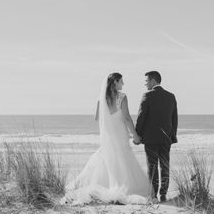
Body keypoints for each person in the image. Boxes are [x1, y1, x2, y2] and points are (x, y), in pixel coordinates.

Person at [62, 73, 151, 204]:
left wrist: (109, 119)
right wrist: (136, 135)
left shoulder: (101, 99)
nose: (123, 84)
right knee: (123, 159)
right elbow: (126, 118)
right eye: (121, 81)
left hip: (109, 136)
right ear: (115, 82)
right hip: (120, 134)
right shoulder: (122, 97)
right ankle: (121, 188)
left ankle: (105, 186)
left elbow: (97, 118)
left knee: (108, 159)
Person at [135, 71, 178, 202]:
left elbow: (141, 118)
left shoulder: (147, 95)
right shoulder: (171, 96)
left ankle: (153, 195)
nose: (145, 83)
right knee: (164, 166)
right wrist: (172, 136)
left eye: (147, 81)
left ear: (153, 81)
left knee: (152, 166)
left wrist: (137, 135)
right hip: (166, 139)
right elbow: (174, 119)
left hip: (150, 139)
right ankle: (163, 194)